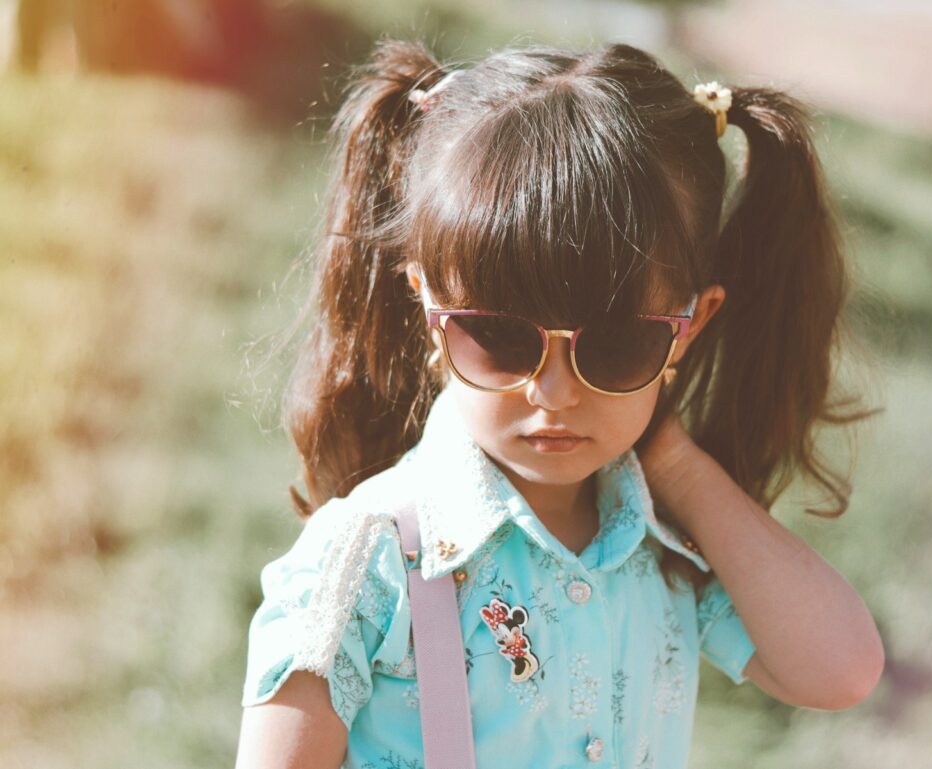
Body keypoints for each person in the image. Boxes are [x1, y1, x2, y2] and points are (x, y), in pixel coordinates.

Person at [234, 37, 885, 769]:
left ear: (688, 329)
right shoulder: (368, 559)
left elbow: (841, 669)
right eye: (499, 339)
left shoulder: (663, 546)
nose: (553, 392)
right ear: (427, 307)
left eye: (615, 347)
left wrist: (674, 463)